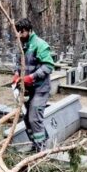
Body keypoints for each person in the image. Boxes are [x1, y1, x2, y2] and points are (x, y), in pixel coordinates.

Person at [11, 18, 55, 152]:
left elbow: (48, 66)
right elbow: (20, 64)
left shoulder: (39, 44)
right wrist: (16, 74)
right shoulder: (22, 45)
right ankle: (35, 144)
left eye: (22, 32)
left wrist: (32, 77)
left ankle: (41, 149)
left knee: (34, 118)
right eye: (18, 33)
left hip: (40, 89)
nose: (19, 35)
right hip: (27, 89)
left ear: (29, 30)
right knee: (27, 118)